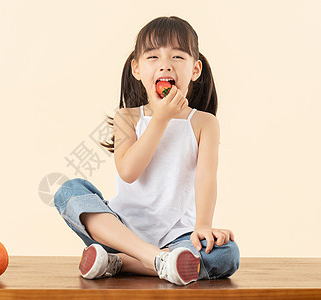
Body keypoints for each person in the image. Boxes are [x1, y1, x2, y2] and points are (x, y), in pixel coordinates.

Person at [54, 16, 240, 285]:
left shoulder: (204, 123)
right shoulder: (126, 117)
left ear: (195, 69)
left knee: (227, 255)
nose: (165, 64)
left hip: (178, 236)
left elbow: (206, 178)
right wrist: (161, 118)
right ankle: (155, 259)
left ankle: (120, 263)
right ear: (137, 69)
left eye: (177, 56)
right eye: (153, 57)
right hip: (120, 232)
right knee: (68, 191)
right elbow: (129, 172)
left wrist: (203, 226)